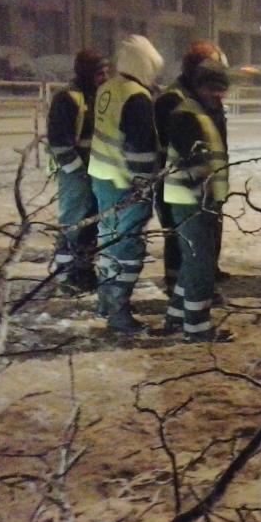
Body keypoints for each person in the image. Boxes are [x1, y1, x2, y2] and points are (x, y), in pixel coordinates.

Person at [88, 34, 164, 333]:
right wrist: (146, 182)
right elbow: (140, 148)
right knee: (129, 244)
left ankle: (106, 301)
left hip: (102, 176)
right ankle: (120, 311)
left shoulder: (109, 87)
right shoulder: (136, 96)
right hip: (126, 183)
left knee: (107, 239)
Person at [161, 59, 233, 342]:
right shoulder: (186, 114)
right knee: (201, 262)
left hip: (202, 199)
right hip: (190, 200)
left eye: (222, 90)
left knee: (193, 261)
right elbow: (190, 162)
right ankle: (197, 327)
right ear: (200, 87)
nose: (219, 95)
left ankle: (177, 316)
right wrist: (204, 188)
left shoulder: (205, 111)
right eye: (213, 90)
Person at [154, 41, 229, 294]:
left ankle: (199, 282)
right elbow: (168, 145)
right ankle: (180, 286)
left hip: (206, 185)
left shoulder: (206, 99)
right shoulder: (175, 100)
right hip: (182, 186)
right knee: (181, 239)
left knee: (205, 239)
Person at [45, 48, 110, 293]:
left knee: (91, 222)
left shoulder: (97, 97)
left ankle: (83, 268)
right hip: (75, 172)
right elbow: (59, 141)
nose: (104, 78)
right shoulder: (68, 98)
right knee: (73, 221)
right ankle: (66, 273)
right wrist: (76, 170)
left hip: (95, 171)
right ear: (85, 74)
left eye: (106, 72)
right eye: (99, 73)